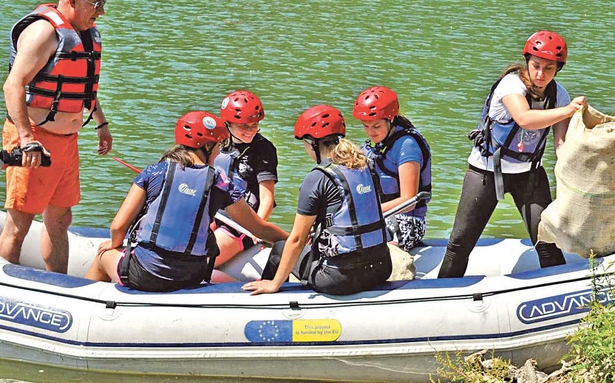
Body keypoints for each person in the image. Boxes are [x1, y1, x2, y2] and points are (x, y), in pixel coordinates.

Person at [438, 31, 587, 278]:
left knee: (547, 243)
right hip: (486, 171)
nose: (540, 74)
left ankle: (564, 291)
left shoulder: (560, 96)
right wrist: (568, 111)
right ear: (527, 61)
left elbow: (560, 145)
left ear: (558, 69)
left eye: (549, 68)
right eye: (536, 66)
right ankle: (441, 298)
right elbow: (525, 118)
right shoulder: (511, 84)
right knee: (459, 244)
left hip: (529, 176)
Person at [86, 112, 288, 291]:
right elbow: (259, 228)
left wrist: (114, 244)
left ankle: (86, 301)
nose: (218, 152)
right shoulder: (221, 183)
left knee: (103, 257)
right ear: (207, 146)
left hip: (144, 273)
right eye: (218, 146)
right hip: (192, 276)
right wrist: (293, 239)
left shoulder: (154, 172)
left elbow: (118, 227)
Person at [0, 0, 113, 274]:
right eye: (96, 4)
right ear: (73, 0)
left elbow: (83, 84)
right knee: (19, 223)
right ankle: (0, 283)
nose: (101, 11)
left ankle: (57, 284)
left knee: (60, 220)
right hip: (35, 138)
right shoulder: (43, 33)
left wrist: (101, 123)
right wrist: (26, 138)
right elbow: (13, 86)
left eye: (102, 3)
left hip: (66, 142)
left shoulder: (85, 35)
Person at [244, 105, 392, 296]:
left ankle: (270, 293)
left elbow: (296, 239)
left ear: (312, 143)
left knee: (281, 248)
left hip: (339, 278)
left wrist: (274, 283)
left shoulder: (317, 178)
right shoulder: (366, 166)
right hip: (381, 268)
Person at [352, 86, 431, 250]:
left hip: (407, 222)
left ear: (391, 120)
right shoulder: (380, 143)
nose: (370, 132)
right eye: (365, 126)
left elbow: (408, 201)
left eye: (376, 126)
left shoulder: (407, 146)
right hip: (381, 216)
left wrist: (368, 211)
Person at [212, 90, 280, 265]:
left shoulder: (264, 149)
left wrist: (257, 229)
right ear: (227, 124)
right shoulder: (217, 143)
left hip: (241, 225)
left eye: (255, 125)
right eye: (244, 126)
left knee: (202, 260)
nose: (251, 130)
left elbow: (267, 198)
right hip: (214, 216)